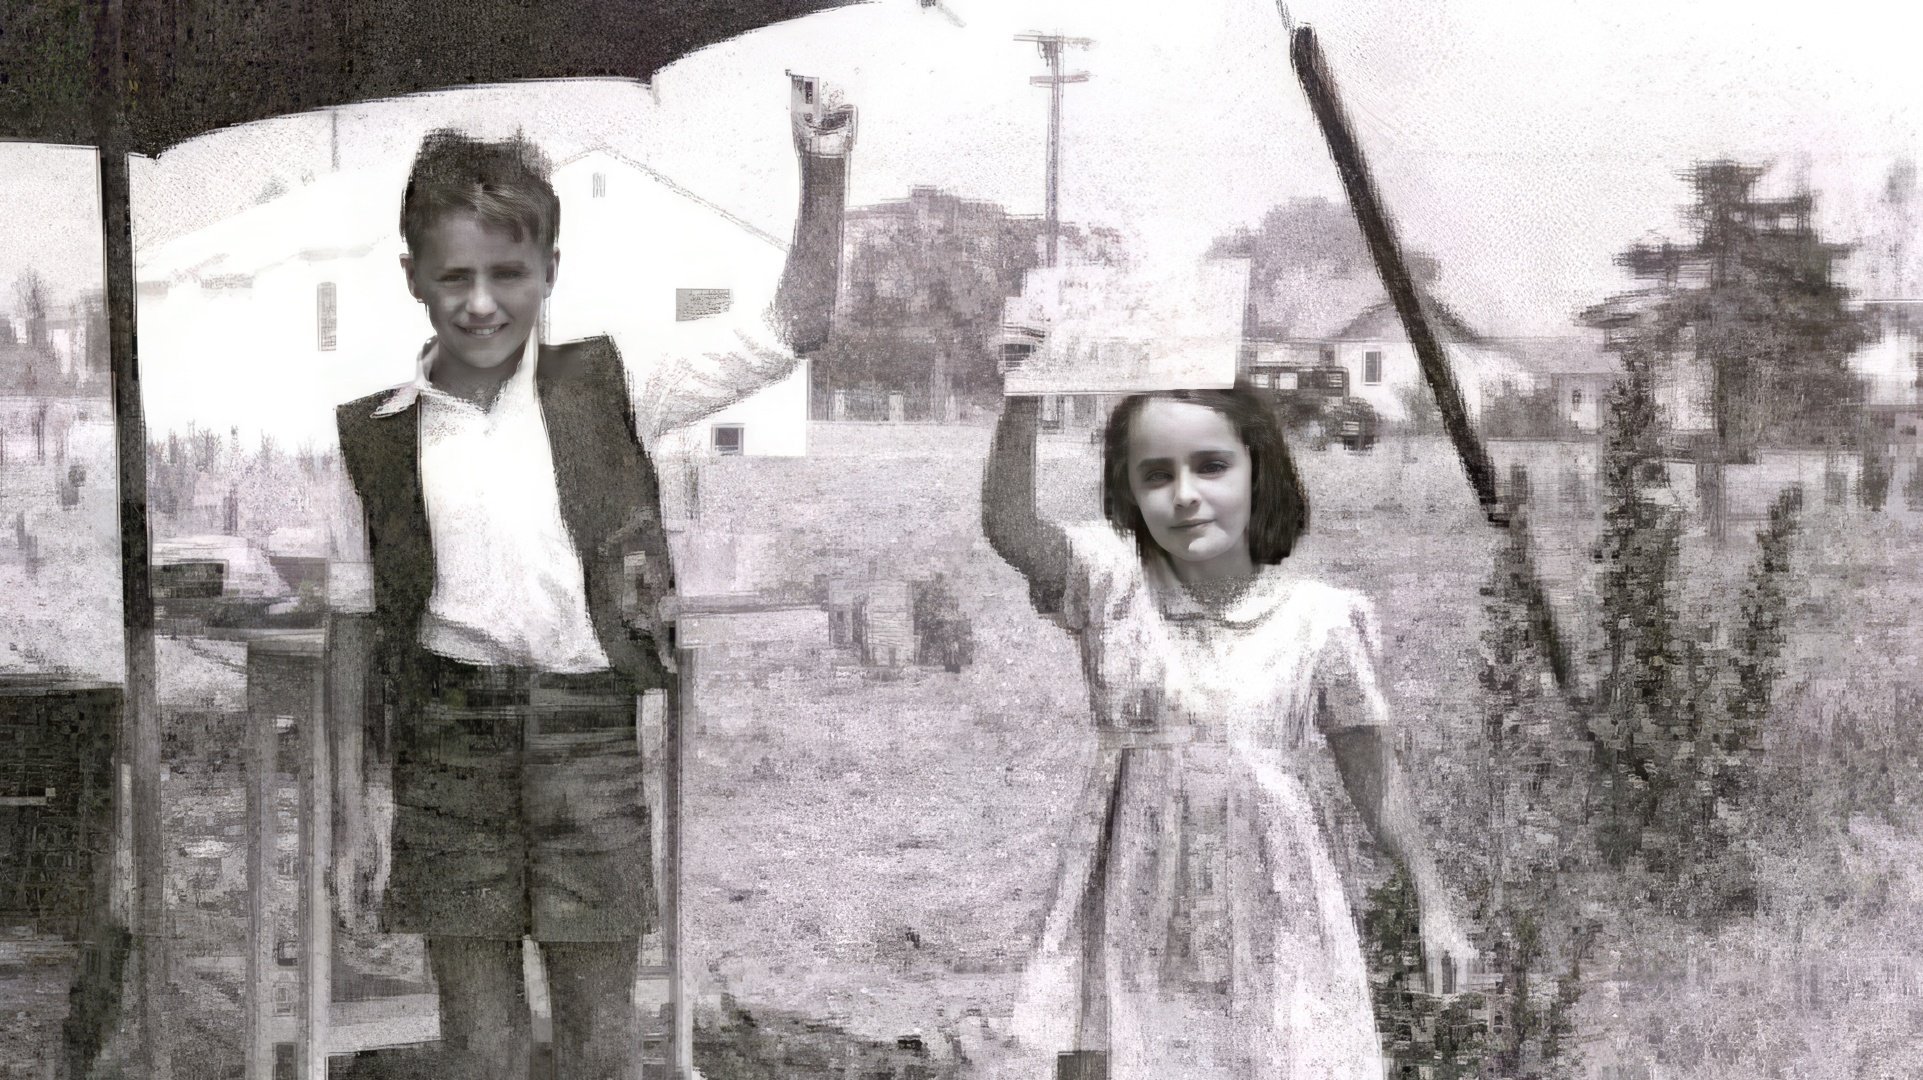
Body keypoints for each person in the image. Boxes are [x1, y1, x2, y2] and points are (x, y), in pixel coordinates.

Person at [327, 97, 853, 1080]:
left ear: (549, 274)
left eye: (508, 275)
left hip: (587, 749)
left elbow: (799, 324)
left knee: (600, 1049)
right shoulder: (373, 434)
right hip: (446, 756)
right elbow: (352, 628)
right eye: (455, 277)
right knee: (479, 1053)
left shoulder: (613, 383)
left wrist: (823, 173)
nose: (481, 302)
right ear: (413, 279)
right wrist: (359, 808)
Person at [980, 381, 1476, 1079]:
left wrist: (1433, 903)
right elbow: (1010, 526)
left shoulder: (1319, 620)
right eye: (1156, 475)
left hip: (1269, 906)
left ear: (1258, 471)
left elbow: (1371, 770)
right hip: (1131, 900)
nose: (1184, 495)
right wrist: (1024, 395)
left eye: (1210, 466)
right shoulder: (1112, 586)